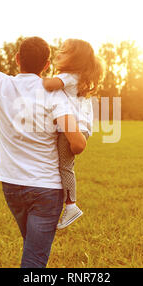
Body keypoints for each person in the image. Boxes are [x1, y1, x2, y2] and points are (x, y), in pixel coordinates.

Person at [0, 11, 87, 268]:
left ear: (17, 58)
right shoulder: (55, 95)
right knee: (34, 260)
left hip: (11, 186)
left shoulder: (1, 84)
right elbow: (77, 143)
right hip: (46, 189)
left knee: (32, 251)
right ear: (46, 65)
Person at [42, 39, 103, 229]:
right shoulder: (81, 79)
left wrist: (37, 76)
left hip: (72, 130)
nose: (58, 54)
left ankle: (71, 205)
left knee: (65, 167)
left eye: (64, 51)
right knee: (66, 166)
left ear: (75, 59)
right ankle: (69, 204)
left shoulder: (69, 77)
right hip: (82, 129)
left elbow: (49, 85)